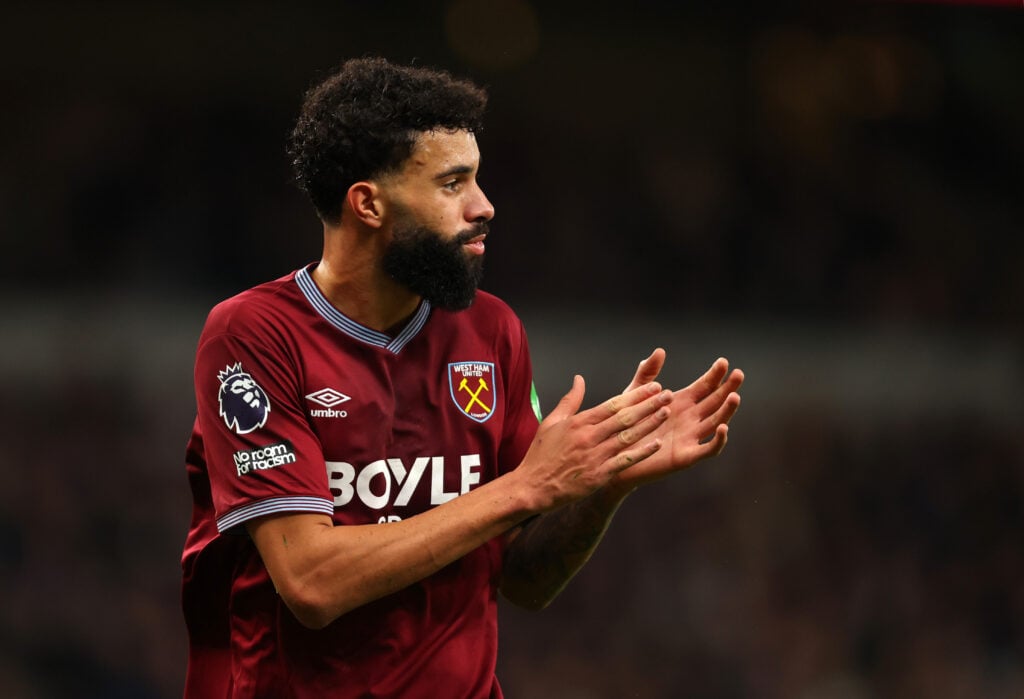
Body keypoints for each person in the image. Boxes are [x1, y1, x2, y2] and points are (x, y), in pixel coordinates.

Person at [180, 57, 744, 699]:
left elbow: (524, 580)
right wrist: (527, 488)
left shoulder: (491, 330)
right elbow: (313, 584)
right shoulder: (254, 335)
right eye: (453, 184)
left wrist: (602, 482)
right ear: (368, 203)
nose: (485, 206)